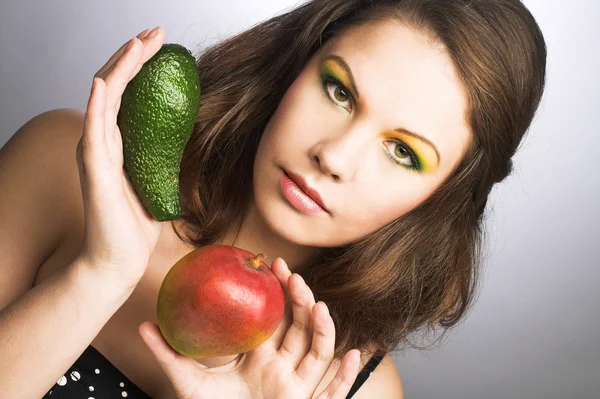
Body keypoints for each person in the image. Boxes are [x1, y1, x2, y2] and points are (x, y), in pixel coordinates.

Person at [0, 0, 547, 398]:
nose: (333, 157)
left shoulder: (352, 388)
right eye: (339, 91)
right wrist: (99, 273)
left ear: (441, 196)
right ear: (295, 66)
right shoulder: (62, 166)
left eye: (403, 152)